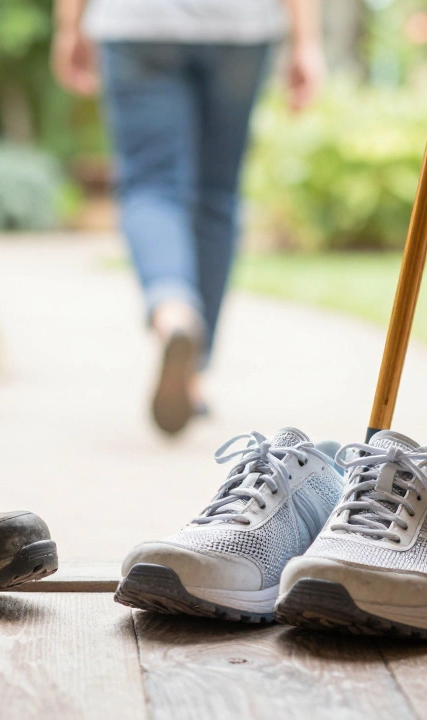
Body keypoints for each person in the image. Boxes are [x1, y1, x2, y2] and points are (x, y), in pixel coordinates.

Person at [52, 0, 323, 434]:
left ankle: (173, 312)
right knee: (217, 195)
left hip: (138, 22)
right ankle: (193, 373)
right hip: (240, 25)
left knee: (151, 185)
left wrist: (69, 24)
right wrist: (306, 41)